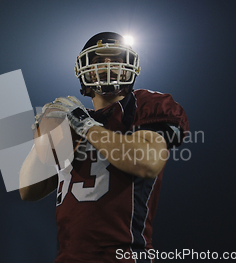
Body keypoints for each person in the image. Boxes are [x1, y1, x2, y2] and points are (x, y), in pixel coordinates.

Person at [20, 32, 189, 263]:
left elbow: (147, 163)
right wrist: (42, 140)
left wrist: (86, 125)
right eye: (99, 61)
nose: (108, 65)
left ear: (131, 68)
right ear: (84, 70)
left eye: (117, 60)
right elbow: (28, 190)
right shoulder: (72, 121)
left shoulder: (146, 105)